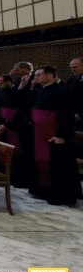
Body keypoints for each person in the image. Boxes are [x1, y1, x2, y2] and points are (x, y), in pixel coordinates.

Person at [31, 65, 81, 205]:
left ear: (49, 75)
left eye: (39, 75)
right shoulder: (39, 90)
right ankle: (44, 191)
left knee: (58, 166)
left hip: (55, 133)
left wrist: (62, 136)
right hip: (40, 133)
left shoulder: (63, 90)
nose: (36, 77)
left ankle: (60, 196)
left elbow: (67, 115)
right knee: (42, 162)